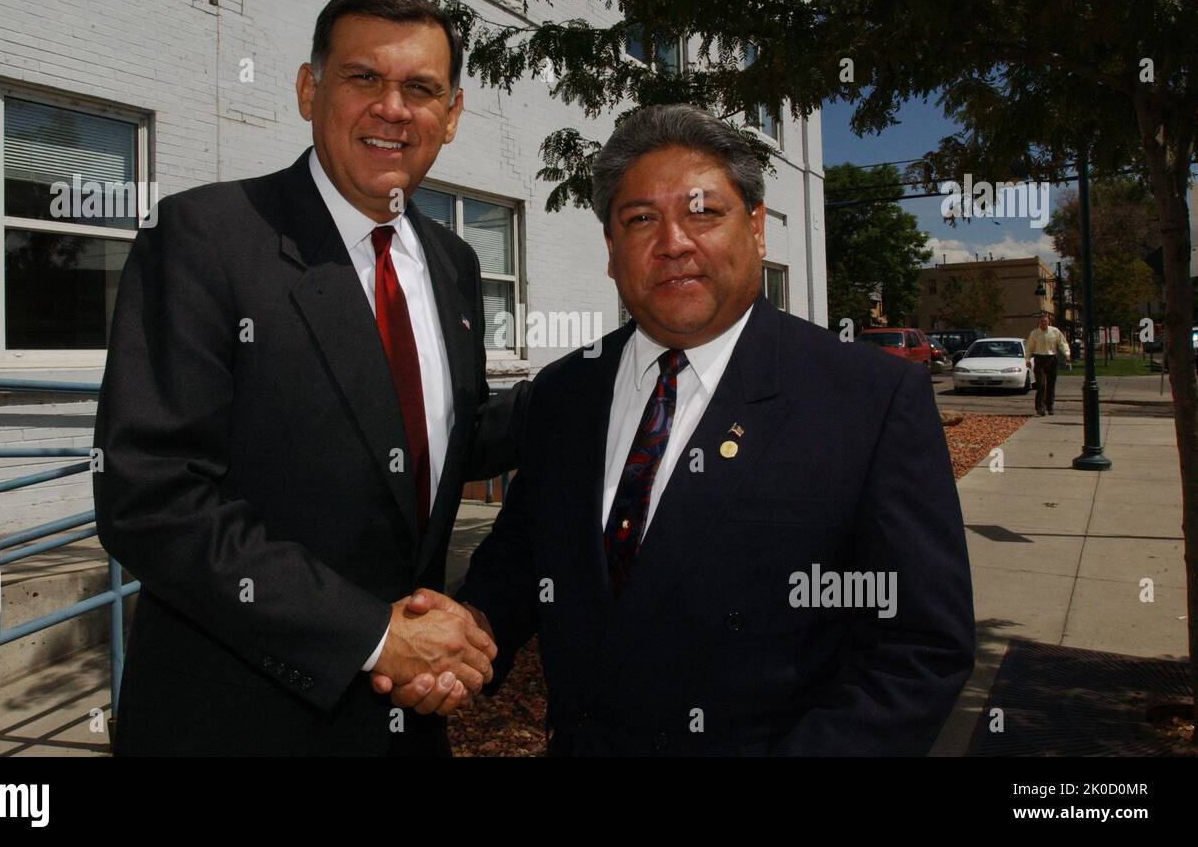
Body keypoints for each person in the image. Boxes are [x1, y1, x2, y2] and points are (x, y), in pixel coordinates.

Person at [377, 104, 975, 755]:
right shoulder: (565, 392)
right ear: (611, 250)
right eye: (640, 219)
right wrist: (472, 629)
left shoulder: (870, 399)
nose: (673, 241)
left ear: (755, 228)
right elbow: (525, 550)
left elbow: (920, 649)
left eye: (703, 212)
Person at [94, 0, 529, 756]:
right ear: (308, 89)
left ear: (452, 114)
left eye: (421, 88)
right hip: (233, 728)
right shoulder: (206, 238)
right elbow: (152, 495)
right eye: (364, 78)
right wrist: (372, 635)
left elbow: (447, 435)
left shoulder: (455, 264)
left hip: (403, 732)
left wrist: (611, 373)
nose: (393, 108)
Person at [1026, 312, 1070, 416]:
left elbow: (1062, 343)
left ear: (1048, 321)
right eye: (1041, 321)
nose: (1043, 323)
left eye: (1045, 321)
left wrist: (1067, 353)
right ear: (1038, 323)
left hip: (1051, 359)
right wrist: (1027, 359)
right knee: (1041, 385)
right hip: (1039, 358)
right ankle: (1040, 407)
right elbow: (1029, 347)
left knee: (1051, 384)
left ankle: (1050, 406)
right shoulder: (1034, 333)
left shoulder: (1055, 331)